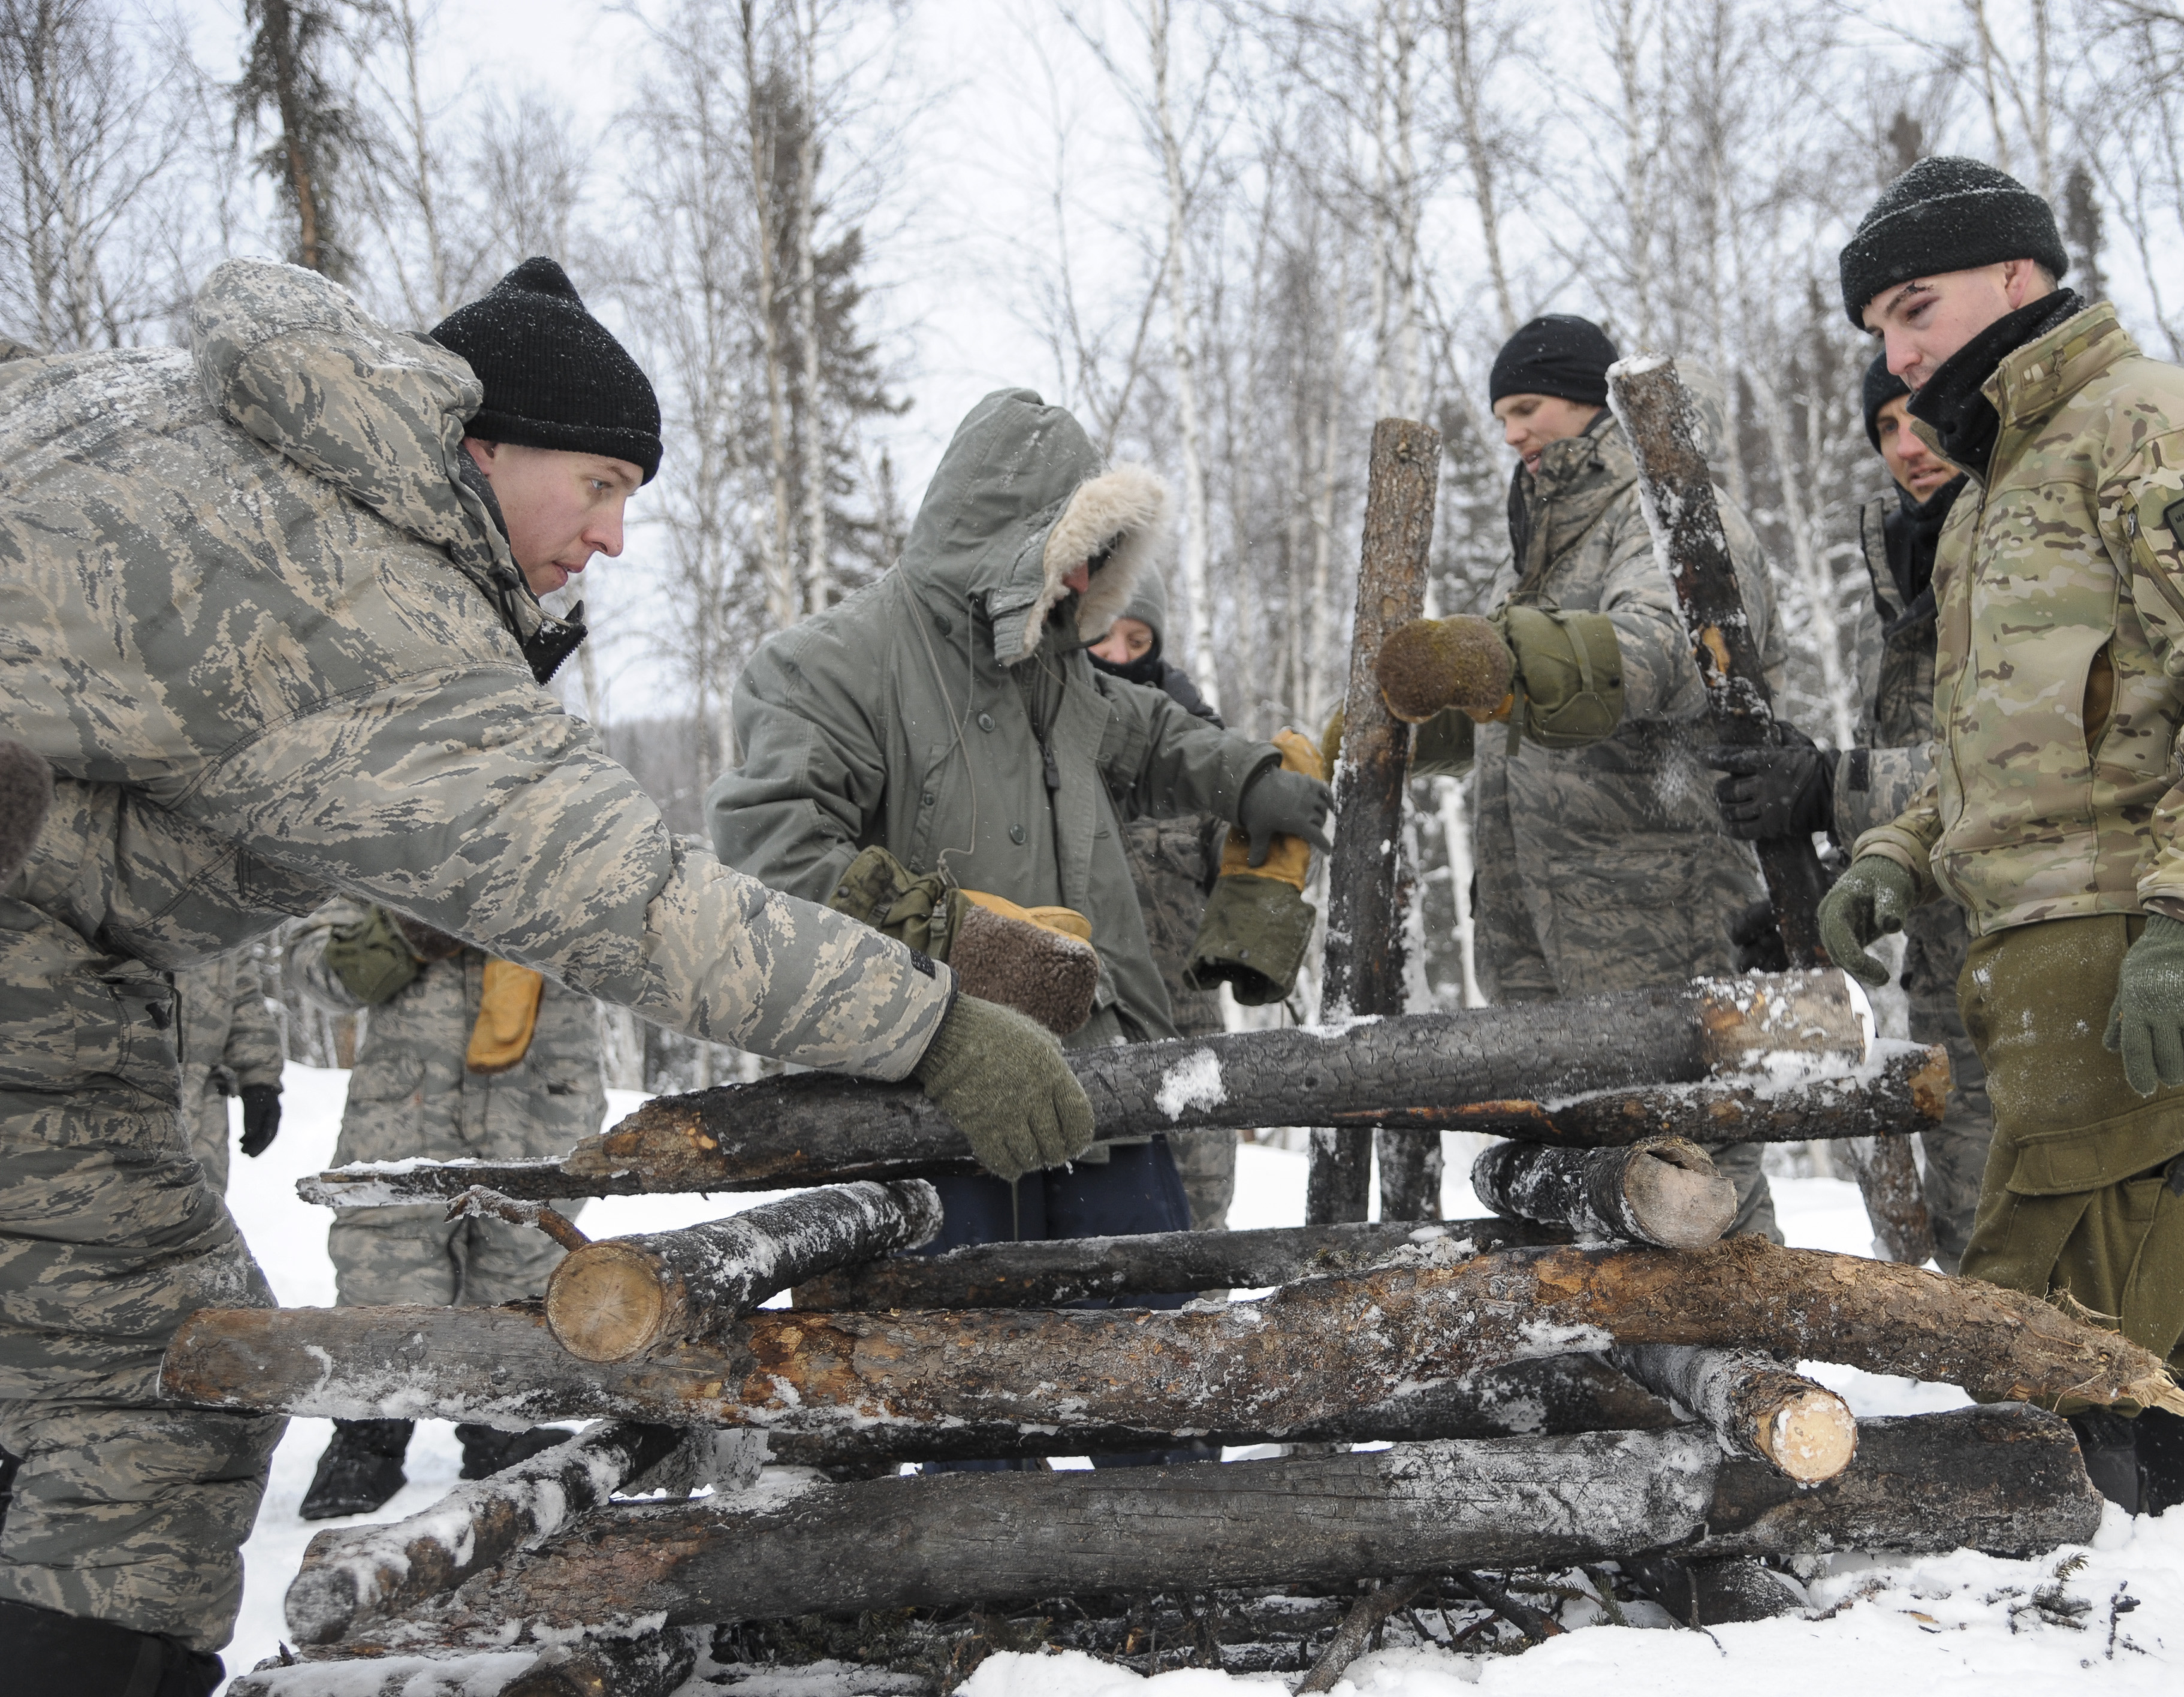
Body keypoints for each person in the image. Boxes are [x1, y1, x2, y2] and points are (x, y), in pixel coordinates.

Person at [0, 257, 1086, 1693]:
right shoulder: (354, 592)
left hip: (44, 955)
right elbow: (625, 898)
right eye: (598, 485)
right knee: (143, 1400)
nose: (616, 537)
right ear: (477, 443)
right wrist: (936, 1024)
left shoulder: (155, 421)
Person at [1718, 348, 2184, 1547]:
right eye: (1883, 426)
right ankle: (2111, 1540)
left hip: (2130, 935)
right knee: (2038, 1289)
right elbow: (1977, 770)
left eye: (1921, 414)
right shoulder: (1940, 554)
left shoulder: (2098, 483)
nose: (1907, 439)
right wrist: (1865, 867)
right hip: (1985, 976)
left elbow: (2156, 716)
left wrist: (1838, 785)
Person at [709, 386, 1331, 1276]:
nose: (1082, 582)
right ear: (1002, 531)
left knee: (1147, 1356)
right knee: (948, 1373)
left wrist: (1249, 777)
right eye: (1070, 552)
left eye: (1094, 558)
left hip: (1105, 1084)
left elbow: (1151, 731)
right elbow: (774, 856)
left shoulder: (1056, 671)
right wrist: (960, 947)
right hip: (924, 1097)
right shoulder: (828, 665)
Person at [1375, 314, 1788, 1239]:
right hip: (1537, 920)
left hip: (1657, 917)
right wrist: (1409, 711)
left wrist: (1499, 655)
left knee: (1695, 1172)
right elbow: (1507, 709)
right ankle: (1620, 1372)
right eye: (1501, 418)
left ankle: (1753, 1375)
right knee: (1586, 1180)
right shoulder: (1536, 554)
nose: (1513, 434)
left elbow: (1672, 649)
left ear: (1591, 401)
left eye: (1527, 408)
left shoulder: (1673, 513)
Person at [280, 900, 607, 1514]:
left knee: (525, 1262)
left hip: (540, 1095)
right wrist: (399, 931)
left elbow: (645, 938)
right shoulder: (390, 832)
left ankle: (505, 1434)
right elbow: (313, 967)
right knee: (385, 1260)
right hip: (407, 1104)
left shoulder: (576, 826)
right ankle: (367, 1441)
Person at [1088, 569, 1238, 1230]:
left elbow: (1250, 882)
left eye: (1136, 637)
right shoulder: (1048, 751)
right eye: (1102, 636)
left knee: (1201, 1227)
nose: (1119, 655)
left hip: (1190, 1036)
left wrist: (1266, 822)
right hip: (1084, 1038)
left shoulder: (1203, 756)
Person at [171, 948, 285, 1197]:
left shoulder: (215, 914)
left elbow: (243, 991)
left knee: (200, 1228)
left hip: (203, 1116)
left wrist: (259, 1081)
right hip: (104, 1114)